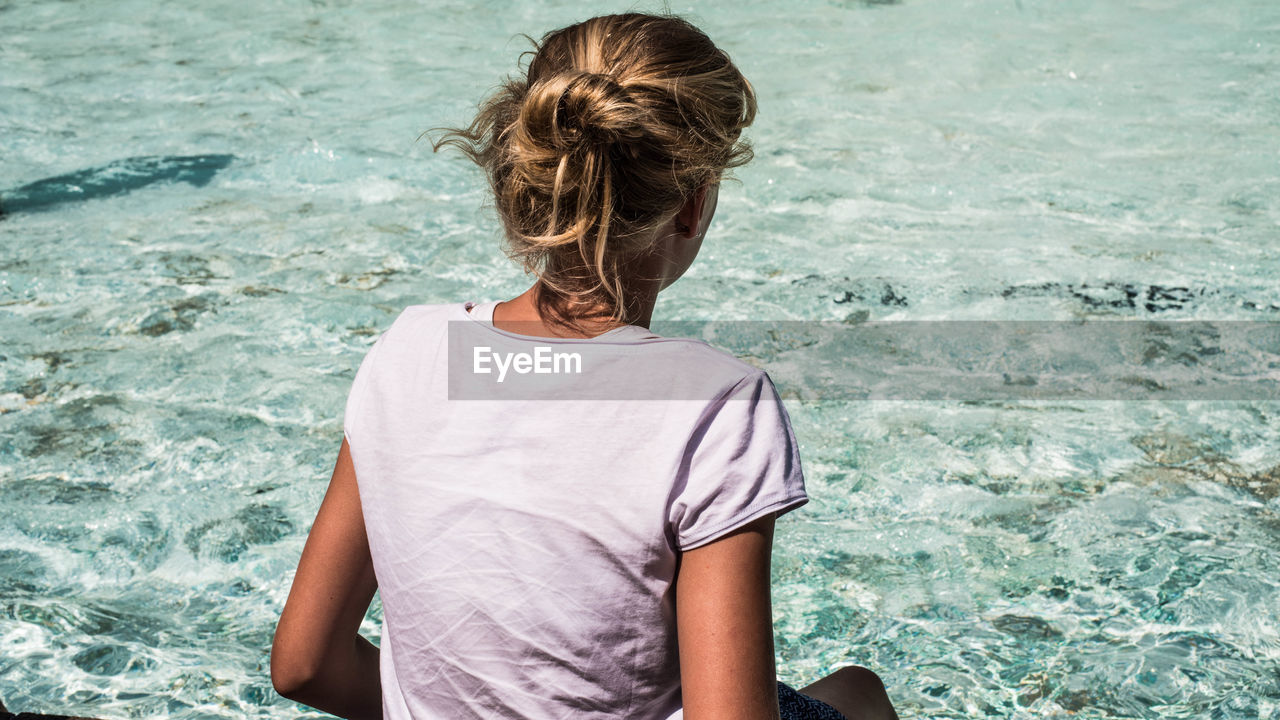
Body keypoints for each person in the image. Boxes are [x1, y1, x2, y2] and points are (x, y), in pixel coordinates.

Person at [270, 12, 901, 720]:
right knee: (861, 694)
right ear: (691, 207)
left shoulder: (412, 351)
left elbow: (304, 666)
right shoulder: (718, 407)